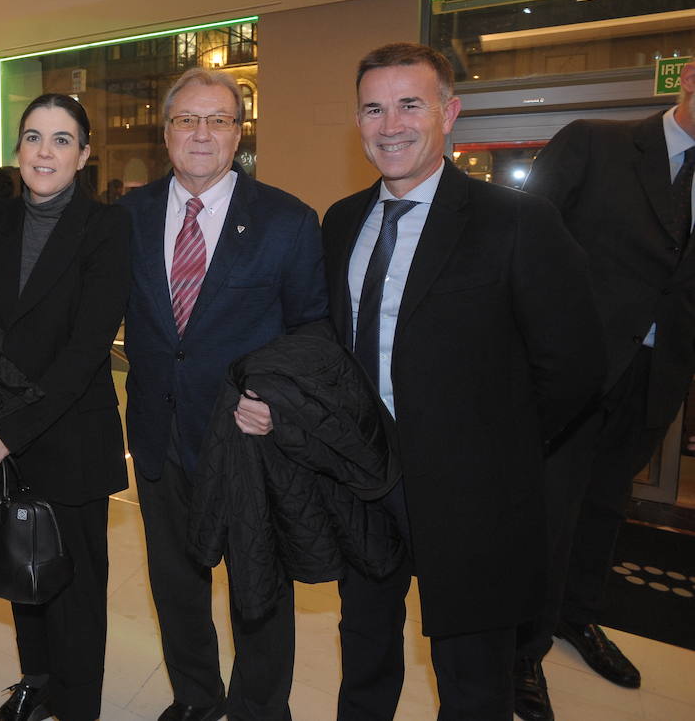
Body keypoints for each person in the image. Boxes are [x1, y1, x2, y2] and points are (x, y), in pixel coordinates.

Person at [319, 43, 603, 721]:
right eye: (373, 108)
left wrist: (497, 451)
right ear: (357, 121)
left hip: (474, 498)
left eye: (410, 104)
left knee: (473, 682)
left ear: (450, 113)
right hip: (364, 487)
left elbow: (575, 364)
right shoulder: (340, 222)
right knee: (363, 655)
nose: (391, 125)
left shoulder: (516, 222)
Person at [119, 68, 327, 721]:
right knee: (177, 587)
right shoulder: (127, 216)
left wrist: (277, 397)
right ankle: (196, 700)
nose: (202, 134)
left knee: (257, 590)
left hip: (248, 442)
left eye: (218, 120)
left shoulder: (286, 221)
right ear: (166, 130)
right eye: (187, 119)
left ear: (239, 133)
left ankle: (261, 710)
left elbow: (314, 328)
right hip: (159, 438)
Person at [513, 58, 695, 718]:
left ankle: (578, 616)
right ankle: (521, 649)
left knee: (605, 507)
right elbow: (524, 245)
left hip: (658, 375)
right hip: (575, 369)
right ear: (691, 78)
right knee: (550, 508)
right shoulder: (596, 142)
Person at [0, 94, 130, 721]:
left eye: (61, 140)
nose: (45, 152)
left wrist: (9, 429)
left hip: (68, 434)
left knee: (76, 586)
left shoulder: (107, 227)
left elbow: (86, 350)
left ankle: (79, 704)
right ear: (19, 150)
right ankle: (37, 683)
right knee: (21, 570)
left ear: (83, 154)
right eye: (33, 137)